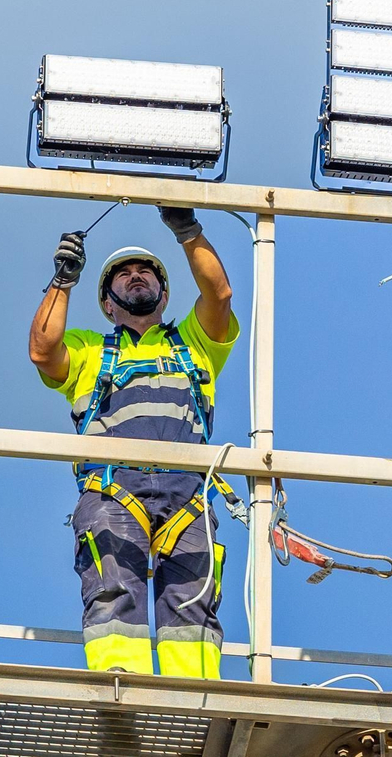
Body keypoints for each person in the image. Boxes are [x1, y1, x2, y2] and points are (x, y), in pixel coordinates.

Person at [29, 205, 240, 679]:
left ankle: (191, 699)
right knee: (113, 591)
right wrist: (62, 280)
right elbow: (43, 351)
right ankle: (118, 689)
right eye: (123, 274)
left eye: (146, 271)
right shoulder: (90, 351)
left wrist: (187, 229)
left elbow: (219, 294)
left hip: (189, 494)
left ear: (165, 294)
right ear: (107, 302)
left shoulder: (194, 343)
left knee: (191, 605)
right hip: (113, 490)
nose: (136, 275)